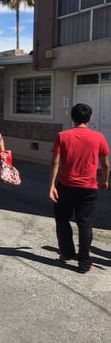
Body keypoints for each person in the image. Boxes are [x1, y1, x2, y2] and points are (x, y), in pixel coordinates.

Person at [49, 103, 109, 273]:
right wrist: (105, 181)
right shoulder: (98, 137)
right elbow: (105, 164)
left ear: (73, 118)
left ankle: (67, 253)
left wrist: (51, 185)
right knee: (85, 224)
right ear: (89, 118)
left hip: (65, 186)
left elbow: (55, 162)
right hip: (89, 188)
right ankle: (84, 263)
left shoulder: (62, 136)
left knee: (62, 219)